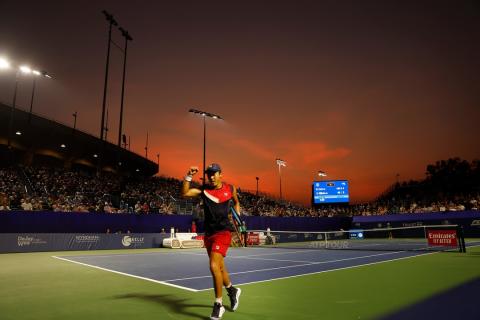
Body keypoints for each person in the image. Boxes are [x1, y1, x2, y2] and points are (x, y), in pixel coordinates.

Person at [182, 163, 242, 320]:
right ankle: (232, 290)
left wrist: (237, 215)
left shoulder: (230, 188)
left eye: (214, 173)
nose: (211, 176)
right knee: (220, 268)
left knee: (213, 265)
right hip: (209, 234)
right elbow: (186, 192)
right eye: (209, 174)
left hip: (223, 233)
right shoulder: (204, 190)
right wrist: (188, 175)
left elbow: (236, 201)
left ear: (221, 174)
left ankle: (218, 304)